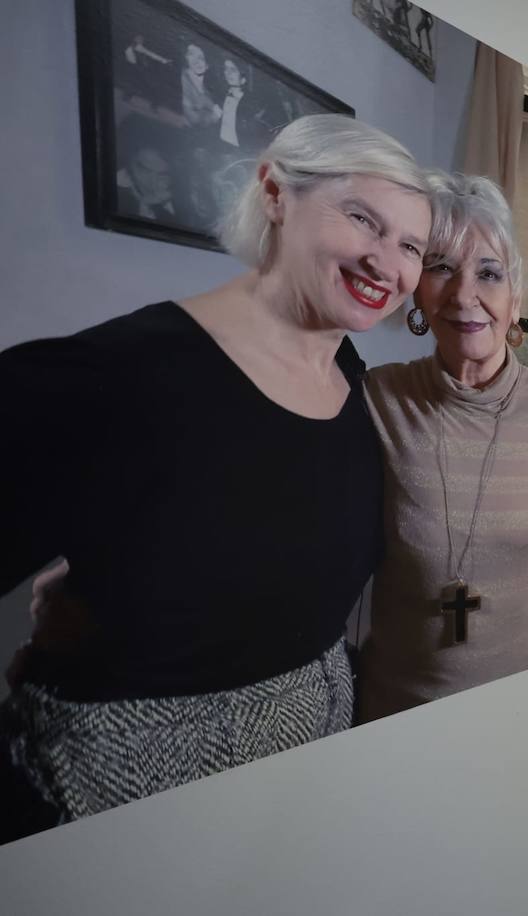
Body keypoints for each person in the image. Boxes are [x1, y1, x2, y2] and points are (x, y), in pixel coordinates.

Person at [0, 114, 433, 842]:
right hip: (129, 797)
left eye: (411, 246)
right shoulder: (109, 376)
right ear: (274, 192)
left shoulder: (350, 374)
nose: (387, 264)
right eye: (362, 219)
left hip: (304, 765)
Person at [356, 173, 528, 721]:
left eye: (489, 273)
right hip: (393, 714)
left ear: (515, 298)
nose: (464, 295)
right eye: (441, 268)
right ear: (417, 289)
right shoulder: (380, 398)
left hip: (520, 712)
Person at [180, 43, 221, 129]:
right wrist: (214, 117)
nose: (196, 61)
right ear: (186, 58)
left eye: (201, 58)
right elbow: (193, 119)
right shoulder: (183, 79)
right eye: (191, 54)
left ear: (207, 65)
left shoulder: (208, 91)